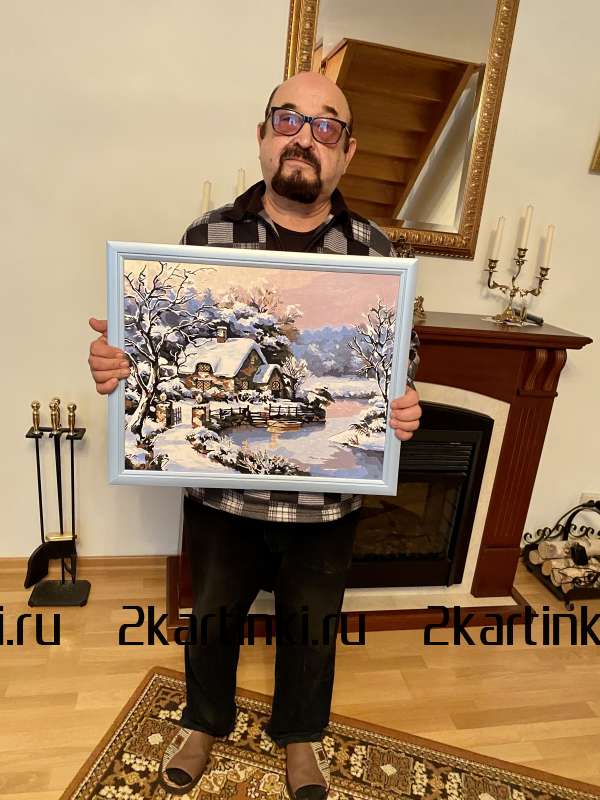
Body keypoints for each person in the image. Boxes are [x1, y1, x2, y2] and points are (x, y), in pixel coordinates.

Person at [88, 71, 422, 799]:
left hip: (328, 505)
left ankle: (300, 738)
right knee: (212, 618)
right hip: (223, 498)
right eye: (288, 119)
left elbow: (403, 364)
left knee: (312, 626)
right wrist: (120, 365)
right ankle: (203, 722)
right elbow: (160, 352)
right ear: (264, 136)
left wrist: (404, 405)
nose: (304, 137)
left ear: (348, 151)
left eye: (326, 126)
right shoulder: (206, 237)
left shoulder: (374, 251)